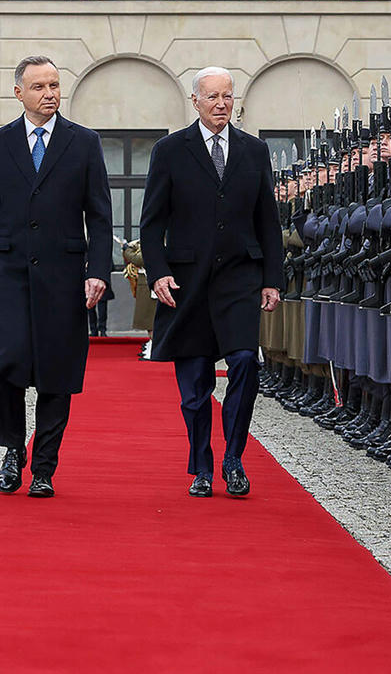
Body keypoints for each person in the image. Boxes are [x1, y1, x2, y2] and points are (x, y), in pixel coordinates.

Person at [0, 54, 113, 498]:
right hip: (8, 272)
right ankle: (13, 449)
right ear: (19, 93)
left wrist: (98, 272)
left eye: (54, 85)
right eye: (39, 87)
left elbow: (101, 215)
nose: (49, 94)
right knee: (6, 368)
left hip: (64, 276)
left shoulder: (83, 142)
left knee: (56, 372)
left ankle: (45, 466)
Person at [140, 66, 284, 498]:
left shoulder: (253, 151)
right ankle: (202, 464)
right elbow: (151, 224)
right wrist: (159, 271)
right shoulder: (169, 150)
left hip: (240, 277)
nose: (221, 105)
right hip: (186, 282)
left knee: (244, 363)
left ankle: (234, 458)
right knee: (195, 387)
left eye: (228, 97)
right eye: (213, 97)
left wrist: (272, 279)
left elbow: (269, 223)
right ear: (195, 101)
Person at [122, 239, 157, 358]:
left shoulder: (156, 241)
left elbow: (139, 259)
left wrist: (127, 249)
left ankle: (154, 347)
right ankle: (152, 344)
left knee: (150, 319)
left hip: (150, 285)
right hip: (145, 284)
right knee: (148, 319)